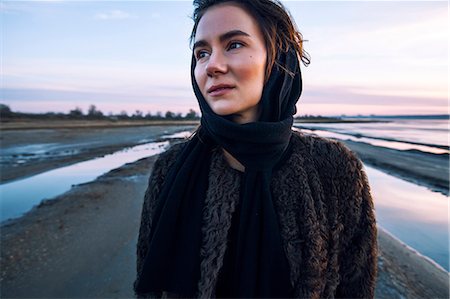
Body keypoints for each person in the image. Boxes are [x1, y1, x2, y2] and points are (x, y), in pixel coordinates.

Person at [134, 0, 378, 298]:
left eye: (234, 44)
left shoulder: (334, 167)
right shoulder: (169, 169)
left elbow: (356, 287)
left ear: (277, 59)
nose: (212, 65)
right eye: (202, 53)